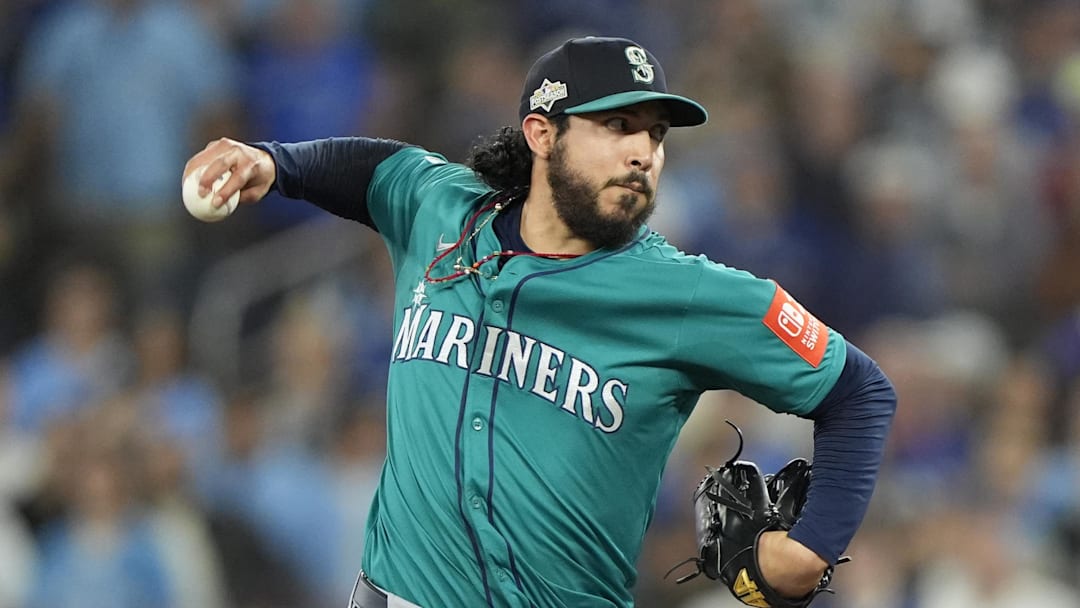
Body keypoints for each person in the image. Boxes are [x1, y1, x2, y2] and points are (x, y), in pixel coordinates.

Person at [183, 36, 897, 608]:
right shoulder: (444, 209)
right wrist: (271, 162)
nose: (643, 152)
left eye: (655, 134)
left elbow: (860, 390)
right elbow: (372, 170)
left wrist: (810, 548)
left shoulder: (686, 294)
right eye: (617, 125)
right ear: (541, 134)